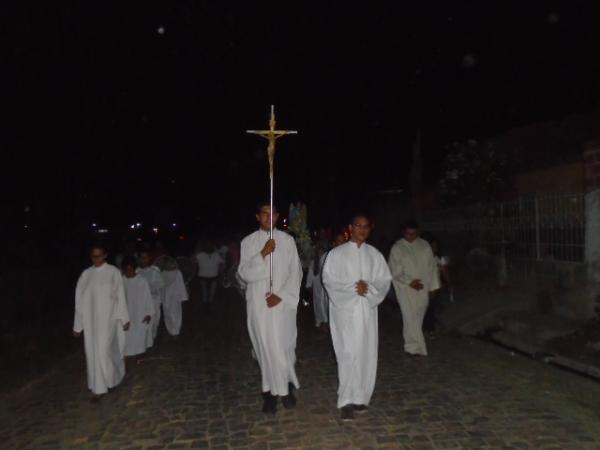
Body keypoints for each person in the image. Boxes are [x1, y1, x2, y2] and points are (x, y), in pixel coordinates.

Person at [323, 214, 391, 421]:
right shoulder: (336, 254)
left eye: (366, 227)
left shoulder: (375, 255)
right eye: (358, 226)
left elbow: (384, 280)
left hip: (367, 313)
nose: (362, 230)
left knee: (366, 353)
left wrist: (368, 288)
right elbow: (329, 281)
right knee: (347, 354)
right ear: (350, 228)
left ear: (370, 229)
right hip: (345, 313)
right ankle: (346, 401)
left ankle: (361, 396)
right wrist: (354, 288)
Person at [237, 202, 302, 414]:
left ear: (277, 216)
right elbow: (244, 273)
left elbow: (296, 272)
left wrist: (281, 296)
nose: (268, 217)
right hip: (259, 304)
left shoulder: (288, 240)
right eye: (264, 213)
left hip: (282, 304)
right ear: (258, 216)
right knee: (264, 348)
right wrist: (263, 253)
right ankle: (269, 394)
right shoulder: (248, 242)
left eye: (272, 213)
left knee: (283, 346)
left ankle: (285, 390)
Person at [73, 243, 130, 402]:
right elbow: (79, 300)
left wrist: (123, 317)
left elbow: (120, 295)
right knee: (92, 352)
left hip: (108, 319)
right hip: (91, 322)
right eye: (93, 256)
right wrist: (78, 324)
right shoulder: (86, 274)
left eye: (98, 255)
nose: (96, 259)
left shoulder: (113, 272)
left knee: (103, 350)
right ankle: (99, 388)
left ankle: (112, 379)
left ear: (105, 255)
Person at [388, 220, 440, 357]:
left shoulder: (424, 245)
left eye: (413, 234)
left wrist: (433, 287)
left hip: (423, 287)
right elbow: (394, 270)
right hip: (405, 288)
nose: (411, 237)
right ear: (403, 233)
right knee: (409, 316)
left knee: (418, 315)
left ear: (418, 232)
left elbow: (432, 267)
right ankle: (413, 347)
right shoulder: (397, 248)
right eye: (408, 234)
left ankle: (414, 344)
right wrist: (410, 282)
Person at [122, 257, 154, 358]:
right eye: (126, 270)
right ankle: (127, 352)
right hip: (126, 313)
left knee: (139, 333)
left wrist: (148, 313)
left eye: (130, 270)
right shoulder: (121, 281)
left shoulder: (142, 281)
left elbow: (148, 297)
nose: (128, 272)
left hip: (140, 312)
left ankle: (140, 352)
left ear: (135, 269)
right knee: (127, 334)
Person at [137, 250, 165, 341]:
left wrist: (160, 301)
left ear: (149, 258)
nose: (143, 260)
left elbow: (161, 286)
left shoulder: (155, 270)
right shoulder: (136, 271)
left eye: (145, 257)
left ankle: (152, 339)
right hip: (141, 301)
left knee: (154, 322)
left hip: (154, 300)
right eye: (142, 257)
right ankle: (144, 341)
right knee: (143, 322)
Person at [161, 262, 188, 337]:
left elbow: (181, 285)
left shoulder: (178, 273)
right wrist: (161, 297)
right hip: (165, 298)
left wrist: (183, 297)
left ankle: (176, 331)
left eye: (172, 265)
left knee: (176, 314)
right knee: (167, 314)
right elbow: (161, 286)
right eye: (168, 265)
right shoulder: (162, 273)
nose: (170, 266)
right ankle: (170, 330)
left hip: (175, 297)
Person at [305, 244, 329, 330]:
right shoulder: (313, 262)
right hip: (317, 287)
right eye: (319, 250)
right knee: (318, 304)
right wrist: (308, 285)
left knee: (325, 304)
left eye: (322, 250)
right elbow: (310, 275)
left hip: (326, 286)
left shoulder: (328, 259)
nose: (321, 252)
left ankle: (326, 322)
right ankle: (319, 320)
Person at [195, 238, 224, 305]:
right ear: (204, 246)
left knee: (212, 294)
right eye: (206, 245)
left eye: (209, 244)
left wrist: (221, 271)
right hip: (203, 278)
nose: (208, 246)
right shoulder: (200, 255)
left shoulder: (216, 254)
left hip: (214, 278)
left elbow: (222, 262)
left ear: (212, 245)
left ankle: (210, 305)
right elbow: (192, 261)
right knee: (204, 294)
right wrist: (196, 251)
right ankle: (205, 307)